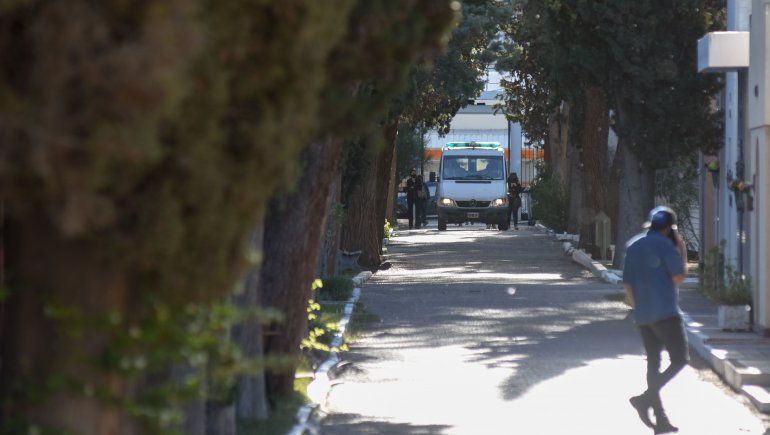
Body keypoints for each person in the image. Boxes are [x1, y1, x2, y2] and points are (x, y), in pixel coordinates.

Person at [623, 206, 688, 434]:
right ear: (669, 227)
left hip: (643, 315)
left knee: (653, 364)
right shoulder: (667, 246)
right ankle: (645, 399)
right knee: (680, 360)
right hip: (666, 314)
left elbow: (627, 284)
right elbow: (679, 276)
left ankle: (660, 420)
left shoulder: (633, 245)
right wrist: (680, 246)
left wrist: (637, 308)